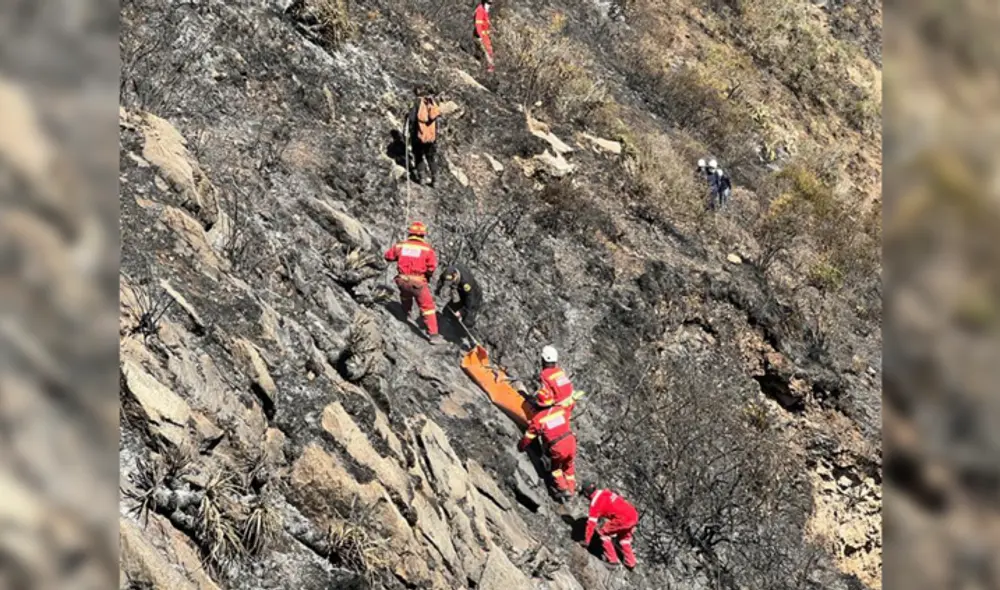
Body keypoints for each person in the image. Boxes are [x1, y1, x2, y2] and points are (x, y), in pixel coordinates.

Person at [384, 221, 442, 344]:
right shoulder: (427, 249)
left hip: (402, 280)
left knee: (405, 295)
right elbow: (431, 267)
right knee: (428, 308)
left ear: (410, 233)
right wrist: (428, 275)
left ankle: (405, 314)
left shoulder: (401, 246)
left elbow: (388, 256)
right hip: (418, 282)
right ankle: (434, 335)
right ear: (422, 235)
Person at [517, 392, 577, 501]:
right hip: (571, 441)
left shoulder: (539, 418)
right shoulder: (561, 410)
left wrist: (521, 446)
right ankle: (571, 489)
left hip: (558, 446)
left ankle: (563, 489)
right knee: (569, 466)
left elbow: (529, 436)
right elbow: (570, 406)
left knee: (555, 468)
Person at [580, 482, 639, 569]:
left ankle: (613, 561)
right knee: (624, 538)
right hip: (633, 514)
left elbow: (591, 523)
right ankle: (631, 562)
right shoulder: (605, 492)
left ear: (586, 494)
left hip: (623, 519)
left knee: (603, 533)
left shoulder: (595, 504)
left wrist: (587, 541)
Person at [406, 87, 441, 187]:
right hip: (431, 136)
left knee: (418, 156)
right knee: (431, 157)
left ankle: (422, 178)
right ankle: (435, 180)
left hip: (418, 135)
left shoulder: (416, 103)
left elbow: (412, 119)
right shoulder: (432, 103)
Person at [435, 262, 482, 328]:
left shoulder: (466, 283)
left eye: (452, 281)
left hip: (473, 296)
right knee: (448, 311)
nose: (451, 283)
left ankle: (464, 332)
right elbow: (441, 279)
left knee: (467, 320)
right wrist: (438, 290)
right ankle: (449, 326)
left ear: (455, 275)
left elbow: (470, 301)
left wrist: (461, 312)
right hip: (461, 292)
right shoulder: (448, 271)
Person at [536, 346, 578, 417]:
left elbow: (546, 399)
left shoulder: (545, 375)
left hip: (557, 409)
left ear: (544, 360)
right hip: (568, 408)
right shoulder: (559, 371)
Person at [473, 0, 494, 73]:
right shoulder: (480, 10)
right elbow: (478, 25)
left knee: (481, 54)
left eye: (491, 3)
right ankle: (487, 72)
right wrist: (480, 37)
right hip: (480, 37)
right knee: (486, 54)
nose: (489, 5)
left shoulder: (484, 11)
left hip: (485, 37)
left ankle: (479, 69)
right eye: (488, 3)